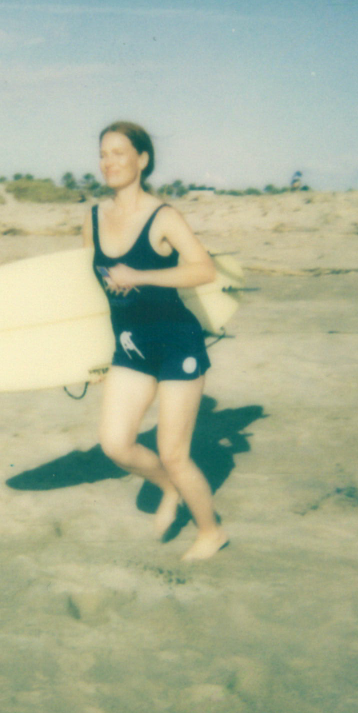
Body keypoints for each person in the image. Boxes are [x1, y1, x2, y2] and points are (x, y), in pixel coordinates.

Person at [89, 122, 230, 562]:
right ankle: (169, 487)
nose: (109, 162)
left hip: (176, 346)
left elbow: (204, 269)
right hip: (130, 349)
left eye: (119, 153)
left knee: (173, 451)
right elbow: (92, 293)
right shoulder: (94, 217)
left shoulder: (163, 216)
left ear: (142, 159)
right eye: (103, 154)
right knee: (115, 444)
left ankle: (211, 531)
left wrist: (141, 276)